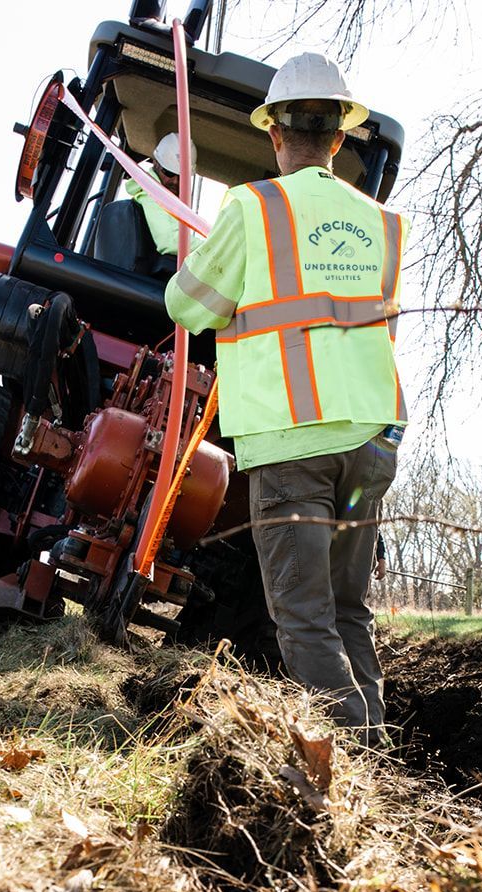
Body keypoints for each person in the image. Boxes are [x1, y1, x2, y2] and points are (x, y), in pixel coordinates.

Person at [165, 54, 408, 747]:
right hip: (369, 443)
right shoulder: (383, 224)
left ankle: (353, 774)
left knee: (303, 620)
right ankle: (376, 752)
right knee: (347, 612)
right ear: (338, 137)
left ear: (274, 132)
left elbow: (186, 306)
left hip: (294, 443)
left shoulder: (252, 208)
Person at [124, 133, 198, 260]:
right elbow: (170, 241)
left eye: (182, 177)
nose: (175, 181)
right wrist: (216, 249)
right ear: (155, 163)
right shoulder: (150, 197)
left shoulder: (168, 203)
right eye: (169, 173)